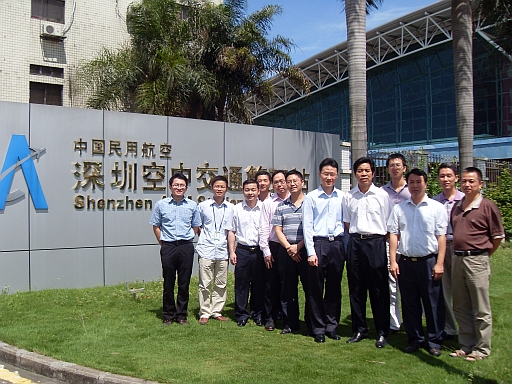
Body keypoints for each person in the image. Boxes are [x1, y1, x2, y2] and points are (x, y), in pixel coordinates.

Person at [388, 168, 448, 356]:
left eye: (418, 182)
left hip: (428, 261)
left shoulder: (436, 208)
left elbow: (441, 237)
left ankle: (434, 341)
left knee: (432, 303)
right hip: (405, 261)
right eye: (411, 182)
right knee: (409, 303)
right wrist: (393, 261)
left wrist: (439, 263)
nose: (415, 186)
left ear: (425, 183)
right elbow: (394, 235)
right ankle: (414, 339)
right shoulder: (399, 208)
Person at [450, 167, 504, 361]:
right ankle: (466, 344)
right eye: (464, 181)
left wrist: (483, 254)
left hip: (477, 260)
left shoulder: (487, 206)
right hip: (457, 259)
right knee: (461, 305)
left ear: (480, 184)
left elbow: (497, 237)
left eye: (471, 181)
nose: (467, 184)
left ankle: (482, 349)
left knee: (481, 307)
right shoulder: (457, 206)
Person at [343, 157, 392, 348]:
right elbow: (347, 223)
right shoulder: (350, 196)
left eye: (367, 171)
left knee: (379, 289)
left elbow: (389, 224)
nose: (364, 174)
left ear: (373, 173)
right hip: (355, 243)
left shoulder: (381, 195)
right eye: (360, 171)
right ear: (355, 174)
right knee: (356, 289)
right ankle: (359, 329)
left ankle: (382, 331)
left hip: (376, 243)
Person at [303, 158, 345, 343]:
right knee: (315, 288)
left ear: (337, 175)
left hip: (337, 244)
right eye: (326, 173)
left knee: (334, 287)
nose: (329, 177)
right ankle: (318, 328)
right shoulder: (311, 197)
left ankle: (331, 326)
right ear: (320, 174)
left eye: (332, 174)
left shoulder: (343, 197)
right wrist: (311, 252)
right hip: (318, 244)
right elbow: (307, 226)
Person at [149, 173, 201, 325]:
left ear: (186, 187)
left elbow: (196, 225)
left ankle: (181, 315)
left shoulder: (192, 205)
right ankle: (169, 315)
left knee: (184, 283)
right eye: (176, 185)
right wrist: (163, 244)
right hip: (169, 246)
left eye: (182, 185)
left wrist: (189, 237)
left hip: (186, 246)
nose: (179, 188)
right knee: (168, 282)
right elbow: (156, 226)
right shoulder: (161, 205)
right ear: (170, 187)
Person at [272, 170, 312, 335]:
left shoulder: (310, 203)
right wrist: (290, 247)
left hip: (306, 250)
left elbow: (313, 229)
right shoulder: (281, 206)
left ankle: (311, 324)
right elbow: (278, 230)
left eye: (295, 180)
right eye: (289, 181)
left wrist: (299, 246)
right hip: (287, 252)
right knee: (288, 288)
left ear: (302, 182)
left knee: (310, 288)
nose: (292, 184)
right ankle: (290, 323)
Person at [227, 179, 265, 327]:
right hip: (242, 250)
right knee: (241, 284)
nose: (250, 193)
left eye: (253, 190)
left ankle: (258, 313)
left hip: (259, 251)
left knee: (259, 284)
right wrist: (232, 251)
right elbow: (231, 231)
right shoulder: (236, 209)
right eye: (247, 190)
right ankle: (242, 314)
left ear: (258, 191)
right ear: (243, 191)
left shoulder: (264, 208)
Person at [196, 176, 234, 324]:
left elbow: (231, 230)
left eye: (222, 186)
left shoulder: (231, 208)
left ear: (226, 188)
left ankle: (217, 311)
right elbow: (198, 225)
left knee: (221, 282)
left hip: (223, 250)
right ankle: (204, 312)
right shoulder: (203, 206)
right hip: (206, 248)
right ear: (211, 188)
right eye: (216, 186)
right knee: (205, 282)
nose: (219, 189)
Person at [432, 163, 464, 340]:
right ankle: (450, 329)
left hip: (460, 248)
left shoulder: (464, 200)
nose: (445, 179)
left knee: (461, 291)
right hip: (441, 248)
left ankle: (466, 328)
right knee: (443, 290)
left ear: (456, 178)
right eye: (442, 176)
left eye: (449, 176)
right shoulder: (435, 201)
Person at [381, 153, 411, 334]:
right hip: (388, 242)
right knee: (391, 284)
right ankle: (394, 323)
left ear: (404, 168)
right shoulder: (383, 192)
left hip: (410, 244)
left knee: (410, 285)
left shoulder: (413, 188)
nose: (394, 168)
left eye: (398, 165)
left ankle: (412, 321)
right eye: (391, 165)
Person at [259, 170, 289, 331]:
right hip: (274, 247)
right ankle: (270, 317)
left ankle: (287, 317)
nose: (280, 184)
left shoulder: (297, 201)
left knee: (288, 284)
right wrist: (266, 251)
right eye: (276, 182)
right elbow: (263, 228)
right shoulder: (268, 203)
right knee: (271, 285)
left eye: (282, 181)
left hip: (291, 248)